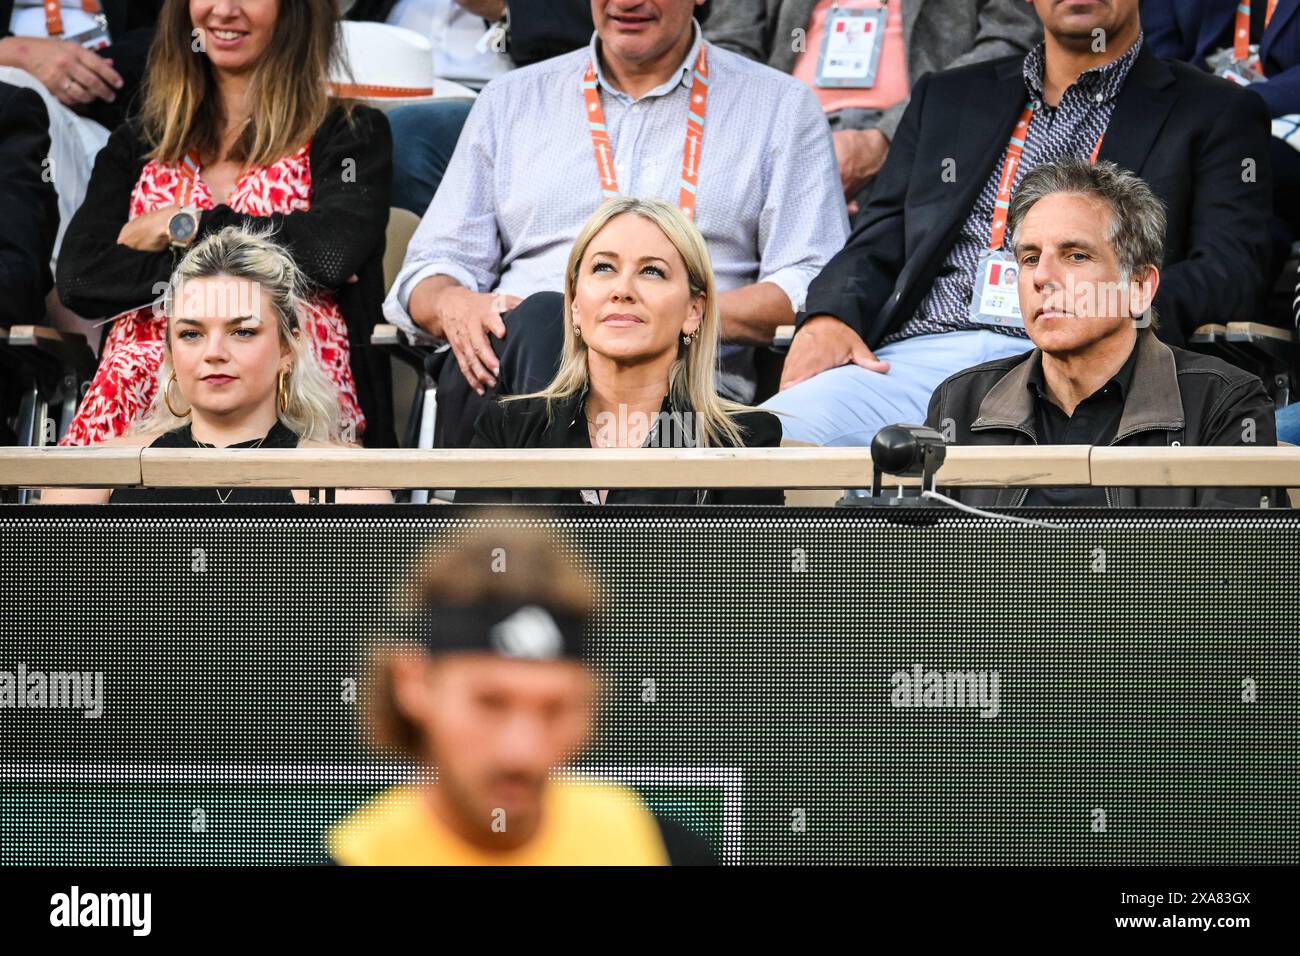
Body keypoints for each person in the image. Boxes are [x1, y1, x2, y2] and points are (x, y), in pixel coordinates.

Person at [762, 0, 1274, 448]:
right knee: (761, 442)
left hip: (1076, 363)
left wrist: (1109, 306)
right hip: (916, 357)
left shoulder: (1213, 110)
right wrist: (830, 314)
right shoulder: (947, 95)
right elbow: (879, 236)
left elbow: (1232, 269)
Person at [384, 0, 846, 446]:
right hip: (508, 385)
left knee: (558, 326)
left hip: (684, 405)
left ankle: (556, 517)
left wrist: (660, 317)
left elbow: (811, 280)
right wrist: (452, 302)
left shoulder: (779, 107)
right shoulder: (509, 100)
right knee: (545, 318)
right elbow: (430, 268)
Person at [55, 0, 395, 449]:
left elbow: (331, 255)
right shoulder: (138, 142)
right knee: (135, 369)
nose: (224, 10)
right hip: (135, 387)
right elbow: (81, 278)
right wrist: (271, 260)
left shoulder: (350, 131)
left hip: (289, 382)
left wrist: (182, 226)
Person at [328, 520, 712, 865]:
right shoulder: (359, 855)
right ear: (412, 684)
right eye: (490, 703)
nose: (521, 751)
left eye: (555, 709)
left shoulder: (660, 850)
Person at [925, 158, 1277, 509]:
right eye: (1030, 258)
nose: (1041, 276)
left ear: (1139, 286)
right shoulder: (959, 402)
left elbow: (1226, 562)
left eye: (1076, 256)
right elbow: (924, 558)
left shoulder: (1224, 404)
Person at [462, 197, 784, 506]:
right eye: (603, 268)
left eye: (652, 271)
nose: (622, 290)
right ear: (575, 303)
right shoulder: (506, 428)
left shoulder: (744, 442)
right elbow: (472, 560)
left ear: (693, 311)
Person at [40, 227, 393, 505]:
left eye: (242, 331)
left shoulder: (348, 485)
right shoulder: (92, 477)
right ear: (170, 353)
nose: (214, 352)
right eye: (191, 334)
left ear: (288, 348)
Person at [708, 0, 1042, 213]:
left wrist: (889, 136)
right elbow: (727, 45)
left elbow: (1012, 39)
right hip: (780, 132)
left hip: (928, 134)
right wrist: (771, 140)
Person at [1143, 0, 1300, 287]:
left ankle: (1224, 292)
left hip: (1285, 111)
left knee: (1249, 163)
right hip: (1201, 110)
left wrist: (1236, 104)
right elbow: (1155, 56)